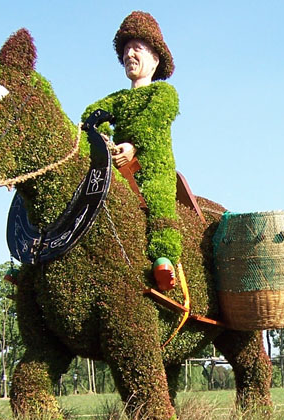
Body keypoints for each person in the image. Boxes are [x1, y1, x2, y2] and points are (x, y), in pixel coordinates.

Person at [82, 11, 180, 291]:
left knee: (159, 205)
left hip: (152, 171)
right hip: (119, 170)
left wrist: (133, 145)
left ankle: (164, 259)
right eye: (126, 50)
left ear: (155, 59)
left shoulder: (163, 94)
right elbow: (91, 113)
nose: (130, 54)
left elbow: (152, 120)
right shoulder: (118, 99)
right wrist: (98, 131)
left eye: (137, 48)